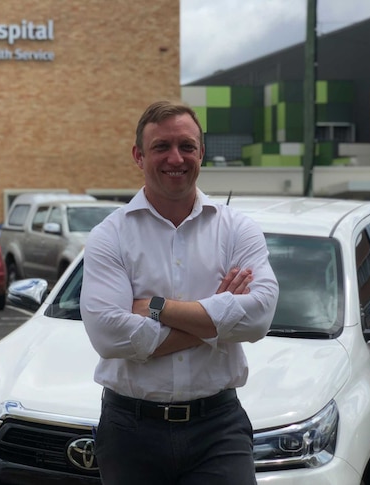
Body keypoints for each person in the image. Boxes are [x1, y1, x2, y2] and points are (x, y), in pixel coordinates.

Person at [80, 100, 279, 485]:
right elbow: (107, 333)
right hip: (130, 430)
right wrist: (217, 320)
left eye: (187, 146)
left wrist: (154, 307)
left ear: (201, 152)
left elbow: (258, 317)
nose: (177, 157)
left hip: (218, 428)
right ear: (139, 156)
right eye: (161, 147)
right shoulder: (110, 235)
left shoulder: (238, 229)